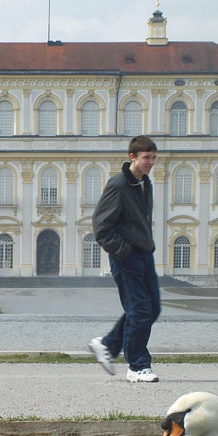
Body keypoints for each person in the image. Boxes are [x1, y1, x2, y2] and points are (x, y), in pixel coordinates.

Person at [88, 135, 161, 383]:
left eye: (153, 157)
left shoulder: (144, 183)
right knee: (140, 310)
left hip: (144, 254)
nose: (151, 162)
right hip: (127, 257)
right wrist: (124, 251)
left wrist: (145, 247)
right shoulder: (118, 185)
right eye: (146, 158)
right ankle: (138, 366)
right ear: (132, 157)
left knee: (151, 308)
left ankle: (108, 345)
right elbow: (101, 226)